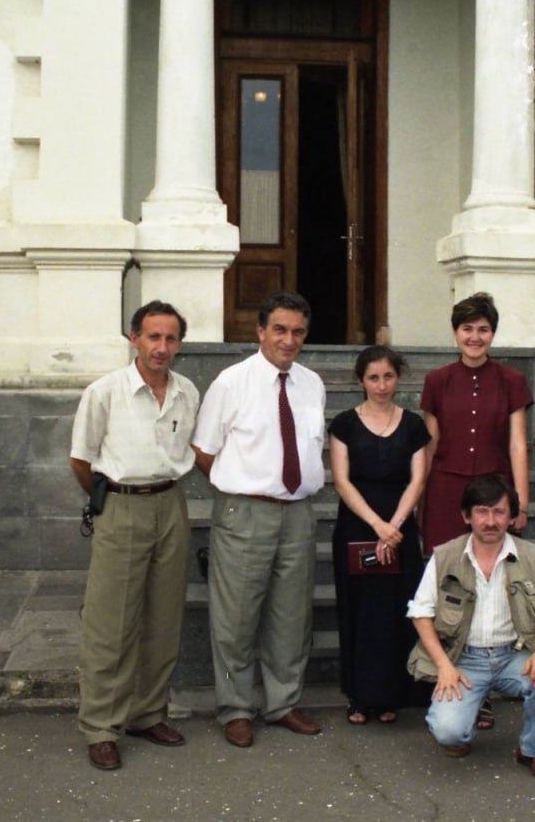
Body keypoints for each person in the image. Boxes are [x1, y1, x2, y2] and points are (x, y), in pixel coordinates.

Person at [192, 290, 327, 748]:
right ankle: (235, 707)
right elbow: (204, 451)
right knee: (236, 619)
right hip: (245, 512)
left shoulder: (312, 384)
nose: (289, 340)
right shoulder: (232, 382)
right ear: (260, 332)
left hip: (298, 514)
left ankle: (283, 702)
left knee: (291, 616)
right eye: (280, 330)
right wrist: (244, 485)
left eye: (298, 332)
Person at [68, 300, 199, 772]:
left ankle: (148, 713)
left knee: (163, 618)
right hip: (121, 505)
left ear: (179, 343)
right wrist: (113, 498)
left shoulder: (187, 392)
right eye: (153, 337)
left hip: (171, 504)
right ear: (134, 339)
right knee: (111, 623)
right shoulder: (104, 392)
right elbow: (81, 462)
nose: (161, 347)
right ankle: (101, 725)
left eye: (170, 338)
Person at [406, 473, 535, 781]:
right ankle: (462, 728)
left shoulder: (531, 557)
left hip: (514, 655)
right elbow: (420, 613)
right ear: (466, 516)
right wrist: (443, 666)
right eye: (482, 511)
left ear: (511, 517)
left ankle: (532, 750)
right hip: (464, 659)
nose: (490, 521)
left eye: (499, 512)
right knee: (448, 732)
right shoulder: (444, 557)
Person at [421, 291, 533, 729]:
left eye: (483, 329)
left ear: (493, 333)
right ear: (455, 333)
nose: (475, 337)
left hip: (493, 494)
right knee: (449, 585)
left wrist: (518, 499)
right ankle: (448, 677)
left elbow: (518, 442)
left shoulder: (511, 380)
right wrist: (420, 500)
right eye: (467, 329)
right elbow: (429, 445)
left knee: (490, 584)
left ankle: (483, 686)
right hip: (446, 491)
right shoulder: (437, 380)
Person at [329, 346, 430, 725]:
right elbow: (341, 480)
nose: (382, 385)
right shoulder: (344, 424)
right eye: (373, 377)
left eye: (388, 376)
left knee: (396, 611)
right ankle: (359, 696)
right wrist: (378, 526)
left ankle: (391, 695)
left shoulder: (414, 425)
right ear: (360, 381)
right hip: (358, 525)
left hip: (401, 529)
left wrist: (396, 527)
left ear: (398, 378)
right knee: (360, 611)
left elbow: (418, 479)